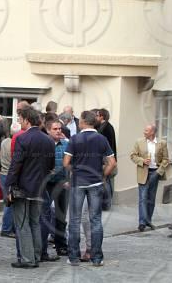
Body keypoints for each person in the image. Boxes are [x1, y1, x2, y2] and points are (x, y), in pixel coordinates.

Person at [63, 110, 117, 267]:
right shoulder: (101, 139)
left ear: (83, 122)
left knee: (74, 220)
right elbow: (112, 163)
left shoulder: (75, 139)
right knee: (95, 221)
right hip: (96, 183)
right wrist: (103, 175)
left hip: (78, 182)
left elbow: (66, 163)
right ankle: (97, 257)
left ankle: (73, 257)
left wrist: (75, 171)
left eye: (80, 121)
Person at [6, 108, 55, 269]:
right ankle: (35, 256)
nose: (19, 121)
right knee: (34, 222)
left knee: (23, 224)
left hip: (24, 188)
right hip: (40, 187)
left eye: (20, 118)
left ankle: (28, 259)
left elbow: (16, 165)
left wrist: (9, 186)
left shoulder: (23, 138)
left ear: (27, 120)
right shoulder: (48, 140)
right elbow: (51, 166)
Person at [130, 123, 169, 232]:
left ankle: (148, 220)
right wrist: (142, 161)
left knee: (151, 199)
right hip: (143, 172)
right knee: (143, 198)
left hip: (155, 173)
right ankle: (142, 222)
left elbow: (166, 159)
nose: (144, 132)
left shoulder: (162, 143)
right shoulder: (139, 142)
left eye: (146, 130)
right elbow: (132, 155)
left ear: (152, 132)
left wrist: (158, 172)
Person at [41, 120, 70, 259]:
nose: (58, 131)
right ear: (48, 130)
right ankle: (41, 247)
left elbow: (71, 164)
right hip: (45, 184)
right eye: (55, 129)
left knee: (60, 217)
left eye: (60, 128)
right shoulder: (44, 144)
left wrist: (68, 180)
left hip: (60, 184)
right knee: (44, 215)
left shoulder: (66, 144)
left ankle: (61, 246)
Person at [0, 122, 20, 238]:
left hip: (3, 173)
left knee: (8, 201)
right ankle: (6, 228)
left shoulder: (4, 142)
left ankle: (8, 227)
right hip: (9, 175)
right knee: (10, 202)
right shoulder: (15, 143)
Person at [96, 108, 117, 210]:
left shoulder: (104, 128)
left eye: (97, 115)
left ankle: (106, 204)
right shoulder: (109, 126)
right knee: (107, 181)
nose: (96, 118)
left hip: (106, 158)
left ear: (101, 116)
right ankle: (107, 203)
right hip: (109, 157)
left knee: (106, 180)